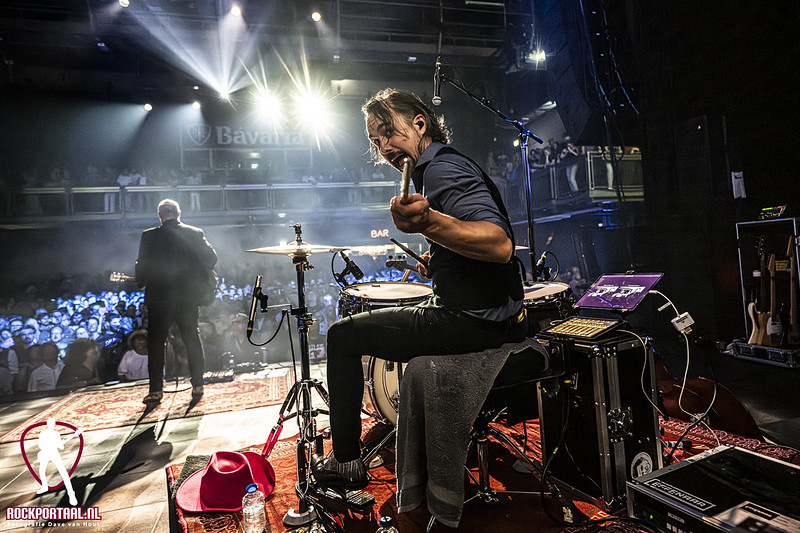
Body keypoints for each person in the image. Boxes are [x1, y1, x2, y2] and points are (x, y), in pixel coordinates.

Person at [312, 88, 527, 489]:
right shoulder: (441, 166)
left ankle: (345, 462)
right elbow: (469, 241)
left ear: (420, 123)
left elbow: (499, 245)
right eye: (376, 141)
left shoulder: (442, 169)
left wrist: (429, 223)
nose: (384, 147)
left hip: (473, 322)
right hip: (493, 314)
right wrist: (439, 259)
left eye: (388, 132)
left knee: (342, 335)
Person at [135, 199, 217, 405]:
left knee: (156, 343)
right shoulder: (195, 233)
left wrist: (141, 280)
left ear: (160, 216)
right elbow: (211, 259)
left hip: (159, 297)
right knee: (192, 339)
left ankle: (155, 390)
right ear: (179, 214)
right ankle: (197, 384)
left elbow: (142, 265)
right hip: (186, 296)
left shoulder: (149, 236)